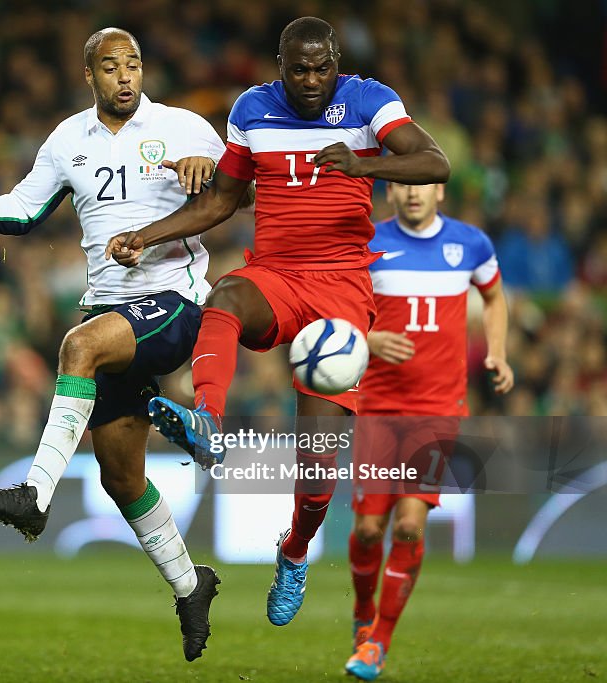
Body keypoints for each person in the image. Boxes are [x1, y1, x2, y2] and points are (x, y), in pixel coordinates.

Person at [105, 16, 450, 627]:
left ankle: (294, 551)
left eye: (322, 69)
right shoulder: (253, 109)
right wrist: (145, 235)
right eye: (299, 69)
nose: (311, 81)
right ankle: (206, 420)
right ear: (280, 65)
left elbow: (433, 162)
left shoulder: (371, 102)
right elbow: (221, 200)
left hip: (342, 287)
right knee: (226, 297)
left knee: (317, 471)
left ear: (337, 63)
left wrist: (365, 168)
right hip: (277, 274)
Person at [0, 27, 226, 661]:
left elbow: (236, 191)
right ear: (91, 76)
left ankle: (34, 495)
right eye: (111, 66)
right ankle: (193, 586)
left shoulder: (187, 128)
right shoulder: (67, 140)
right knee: (120, 475)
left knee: (76, 348)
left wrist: (211, 170)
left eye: (133, 63)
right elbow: (25, 214)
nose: (124, 75)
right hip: (116, 313)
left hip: (176, 303)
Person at [344, 182, 512, 680]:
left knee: (411, 525)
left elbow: (495, 297)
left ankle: (378, 643)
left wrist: (498, 352)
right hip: (376, 407)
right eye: (404, 185)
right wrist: (367, 339)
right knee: (369, 530)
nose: (414, 193)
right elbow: (340, 313)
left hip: (437, 410)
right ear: (390, 192)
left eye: (423, 184)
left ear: (439, 190)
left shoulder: (471, 244)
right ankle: (361, 613)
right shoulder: (367, 244)